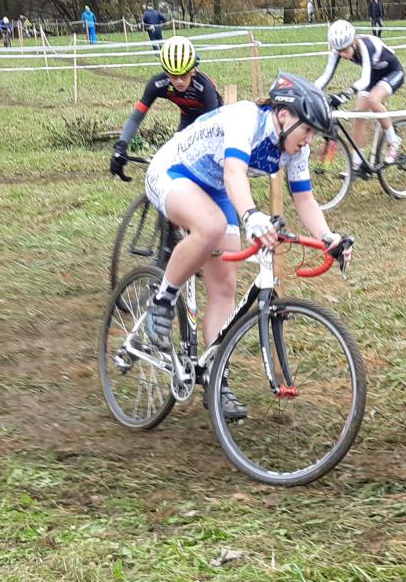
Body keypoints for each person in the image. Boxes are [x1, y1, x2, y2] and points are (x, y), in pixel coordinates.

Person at [140, 73, 351, 419]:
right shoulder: (246, 119)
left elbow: (304, 198)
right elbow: (234, 173)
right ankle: (162, 300)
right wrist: (251, 216)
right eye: (307, 130)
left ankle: (215, 378)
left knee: (225, 285)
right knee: (210, 226)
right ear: (284, 115)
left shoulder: (295, 145)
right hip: (174, 171)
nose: (309, 140)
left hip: (215, 186)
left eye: (314, 133)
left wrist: (328, 237)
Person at [110, 37, 223, 179]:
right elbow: (136, 117)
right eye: (174, 76)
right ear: (166, 72)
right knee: (173, 158)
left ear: (192, 70)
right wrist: (121, 146)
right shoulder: (157, 83)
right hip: (187, 117)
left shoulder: (204, 87)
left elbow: (210, 128)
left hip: (212, 118)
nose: (179, 81)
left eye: (184, 75)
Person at [316, 20, 405, 173]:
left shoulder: (365, 46)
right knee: (358, 116)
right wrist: (309, 91)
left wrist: (344, 95)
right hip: (374, 75)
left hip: (393, 72)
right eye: (339, 51)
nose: (342, 54)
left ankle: (393, 141)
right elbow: (325, 76)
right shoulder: (338, 51)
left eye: (345, 50)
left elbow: (364, 80)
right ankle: (358, 163)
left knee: (373, 100)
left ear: (353, 42)